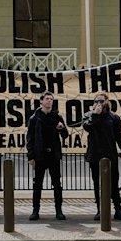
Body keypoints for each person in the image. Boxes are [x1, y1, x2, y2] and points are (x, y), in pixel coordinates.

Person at [82, 91, 121, 221]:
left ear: (106, 102)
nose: (99, 103)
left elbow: (120, 135)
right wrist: (95, 115)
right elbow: (87, 127)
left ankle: (118, 209)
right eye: (97, 101)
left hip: (110, 154)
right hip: (95, 155)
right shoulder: (89, 115)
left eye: (101, 101)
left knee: (114, 183)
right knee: (97, 183)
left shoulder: (113, 117)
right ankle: (100, 210)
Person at [26, 91, 69, 221]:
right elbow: (30, 138)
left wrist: (62, 128)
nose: (49, 101)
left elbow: (65, 135)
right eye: (47, 99)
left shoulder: (57, 116)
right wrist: (31, 156)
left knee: (57, 183)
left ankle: (59, 210)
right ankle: (35, 210)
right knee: (37, 184)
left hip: (53, 155)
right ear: (41, 101)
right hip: (40, 155)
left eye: (51, 99)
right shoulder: (34, 118)